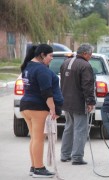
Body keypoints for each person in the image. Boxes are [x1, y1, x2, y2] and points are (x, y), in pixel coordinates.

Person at [20, 44, 63, 178]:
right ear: (42, 55)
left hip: (26, 106)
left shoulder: (28, 66)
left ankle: (34, 167)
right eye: (50, 56)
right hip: (38, 107)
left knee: (34, 138)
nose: (52, 59)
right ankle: (39, 168)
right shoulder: (41, 69)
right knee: (39, 139)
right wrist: (53, 109)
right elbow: (46, 92)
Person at [60, 43, 96, 165]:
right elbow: (88, 85)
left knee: (69, 127)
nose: (90, 56)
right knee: (80, 129)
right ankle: (77, 157)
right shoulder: (85, 65)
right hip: (79, 102)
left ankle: (65, 155)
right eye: (90, 54)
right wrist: (90, 101)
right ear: (85, 53)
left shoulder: (66, 62)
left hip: (66, 102)